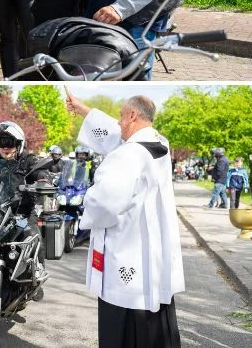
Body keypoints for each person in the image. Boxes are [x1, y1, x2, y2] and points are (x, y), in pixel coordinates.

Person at [67, 91, 183, 348]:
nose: (117, 122)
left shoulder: (127, 156)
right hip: (151, 259)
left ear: (132, 116)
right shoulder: (160, 144)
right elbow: (114, 133)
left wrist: (87, 209)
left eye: (121, 115)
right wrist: (83, 109)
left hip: (126, 253)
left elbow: (104, 204)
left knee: (124, 330)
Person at [0, 121, 48, 284]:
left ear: (18, 144)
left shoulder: (28, 160)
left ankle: (37, 271)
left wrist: (43, 179)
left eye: (9, 142)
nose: (5, 147)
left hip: (21, 214)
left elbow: (39, 170)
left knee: (33, 237)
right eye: (1, 142)